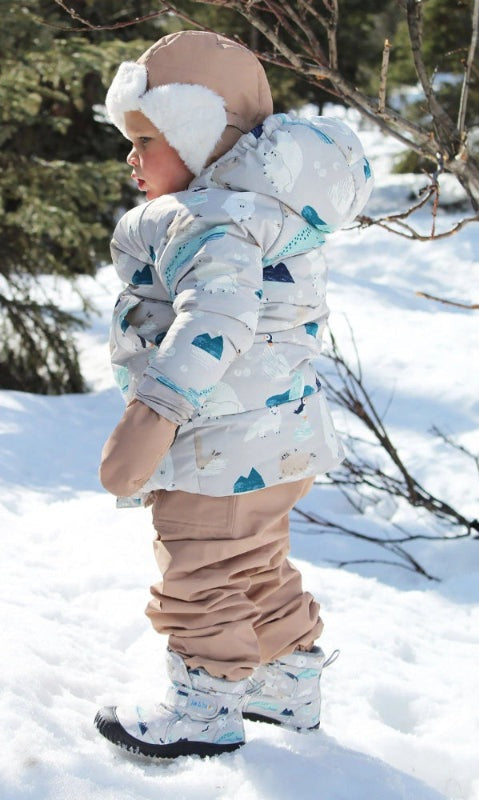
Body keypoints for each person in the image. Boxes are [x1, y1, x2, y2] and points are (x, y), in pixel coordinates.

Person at [95, 30, 373, 759]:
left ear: (199, 139)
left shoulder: (212, 218)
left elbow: (213, 323)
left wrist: (152, 416)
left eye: (147, 139)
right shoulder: (264, 212)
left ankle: (204, 706)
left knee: (202, 569)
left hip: (218, 444)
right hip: (274, 438)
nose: (132, 158)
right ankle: (284, 684)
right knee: (253, 562)